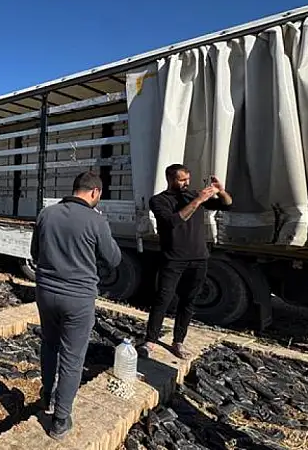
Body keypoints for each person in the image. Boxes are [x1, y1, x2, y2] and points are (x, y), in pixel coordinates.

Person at [30, 171, 122, 440]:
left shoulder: (46, 214)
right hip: (78, 298)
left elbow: (35, 254)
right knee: (72, 357)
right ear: (95, 192)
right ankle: (59, 420)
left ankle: (47, 396)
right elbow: (113, 259)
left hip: (45, 292)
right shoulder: (96, 220)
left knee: (49, 344)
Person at [140, 164, 232, 359]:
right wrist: (198, 200)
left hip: (199, 258)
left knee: (188, 301)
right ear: (170, 179)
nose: (186, 183)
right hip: (173, 259)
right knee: (162, 300)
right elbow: (174, 221)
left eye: (188, 179)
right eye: (182, 180)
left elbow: (227, 204)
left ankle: (178, 341)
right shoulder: (158, 201)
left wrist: (221, 191)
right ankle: (150, 341)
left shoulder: (192, 195)